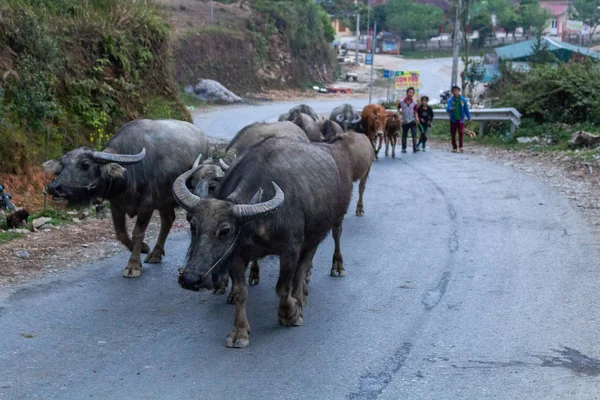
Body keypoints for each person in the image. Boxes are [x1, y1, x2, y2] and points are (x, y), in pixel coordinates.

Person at [446, 85, 471, 153]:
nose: (455, 92)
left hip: (460, 119)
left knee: (461, 133)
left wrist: (469, 117)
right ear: (452, 92)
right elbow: (447, 108)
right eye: (453, 91)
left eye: (456, 91)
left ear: (459, 91)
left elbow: (466, 109)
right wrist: (451, 108)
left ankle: (461, 146)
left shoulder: (463, 100)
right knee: (453, 133)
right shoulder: (451, 100)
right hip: (453, 119)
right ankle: (454, 147)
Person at [397, 87, 420, 153]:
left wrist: (417, 119)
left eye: (412, 93)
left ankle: (415, 148)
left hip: (412, 120)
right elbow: (398, 110)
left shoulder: (415, 103)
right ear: (407, 93)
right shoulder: (401, 102)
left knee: (414, 134)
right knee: (404, 135)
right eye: (409, 92)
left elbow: (415, 112)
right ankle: (404, 148)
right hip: (404, 121)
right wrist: (400, 115)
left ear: (413, 94)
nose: (410, 94)